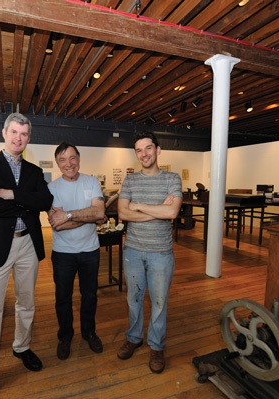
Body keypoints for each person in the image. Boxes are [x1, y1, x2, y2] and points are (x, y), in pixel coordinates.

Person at [0, 113, 53, 399]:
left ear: (29, 138)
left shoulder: (33, 171)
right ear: (4, 133)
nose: (19, 138)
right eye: (15, 132)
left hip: (28, 243)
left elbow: (45, 201)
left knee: (26, 302)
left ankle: (22, 347)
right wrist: (24, 203)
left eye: (24, 134)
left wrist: (11, 195)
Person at [116, 131, 182, 374]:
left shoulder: (172, 178)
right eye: (139, 150)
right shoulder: (130, 181)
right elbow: (123, 214)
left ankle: (156, 345)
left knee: (159, 302)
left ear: (158, 150)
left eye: (148, 148)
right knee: (133, 300)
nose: (143, 154)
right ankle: (134, 337)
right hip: (133, 250)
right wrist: (157, 210)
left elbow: (172, 213)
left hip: (161, 253)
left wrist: (139, 206)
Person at [47, 142, 107, 360]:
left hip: (90, 251)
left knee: (89, 295)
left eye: (72, 158)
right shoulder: (52, 188)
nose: (68, 164)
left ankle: (89, 332)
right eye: (62, 160)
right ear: (57, 164)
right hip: (62, 252)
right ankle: (65, 336)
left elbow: (100, 213)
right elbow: (57, 224)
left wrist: (69, 215)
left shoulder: (91, 182)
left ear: (79, 159)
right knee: (62, 297)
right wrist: (90, 215)